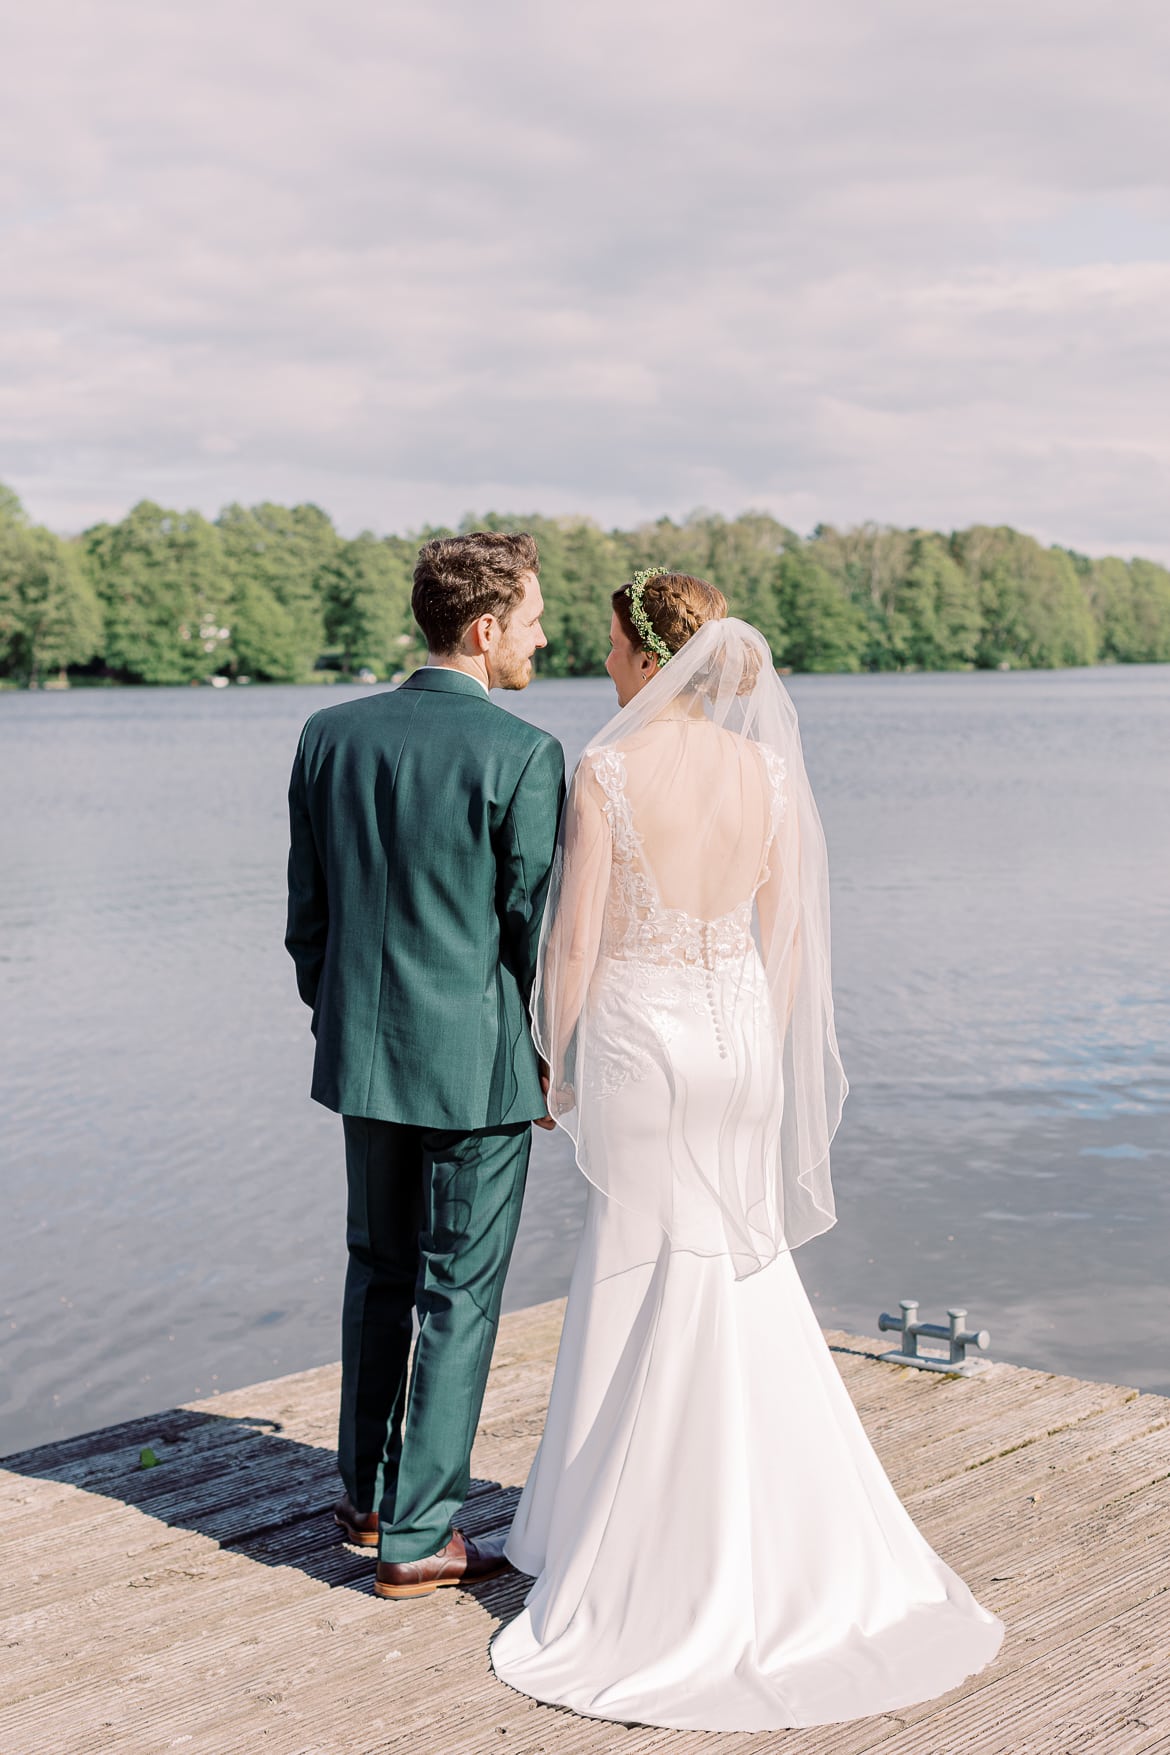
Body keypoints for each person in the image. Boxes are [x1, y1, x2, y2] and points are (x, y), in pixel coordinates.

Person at [489, 568, 1004, 1731]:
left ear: (646, 653)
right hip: (738, 1044)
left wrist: (550, 1064)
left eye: (616, 643)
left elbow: (573, 944)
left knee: (637, 1257)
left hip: (641, 1041)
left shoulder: (607, 769)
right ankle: (772, 1519)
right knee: (737, 1263)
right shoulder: (766, 772)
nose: (605, 661)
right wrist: (753, 1054)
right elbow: (787, 936)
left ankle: (622, 1533)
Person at [285, 530, 565, 1600]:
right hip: (480, 1069)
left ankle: (362, 1498)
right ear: (485, 629)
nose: (543, 637)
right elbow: (534, 933)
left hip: (366, 1059)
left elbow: (308, 921)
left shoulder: (327, 736)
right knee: (458, 1294)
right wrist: (550, 1062)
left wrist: (348, 1022)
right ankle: (419, 1535)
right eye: (533, 620)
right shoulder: (523, 753)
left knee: (378, 1272)